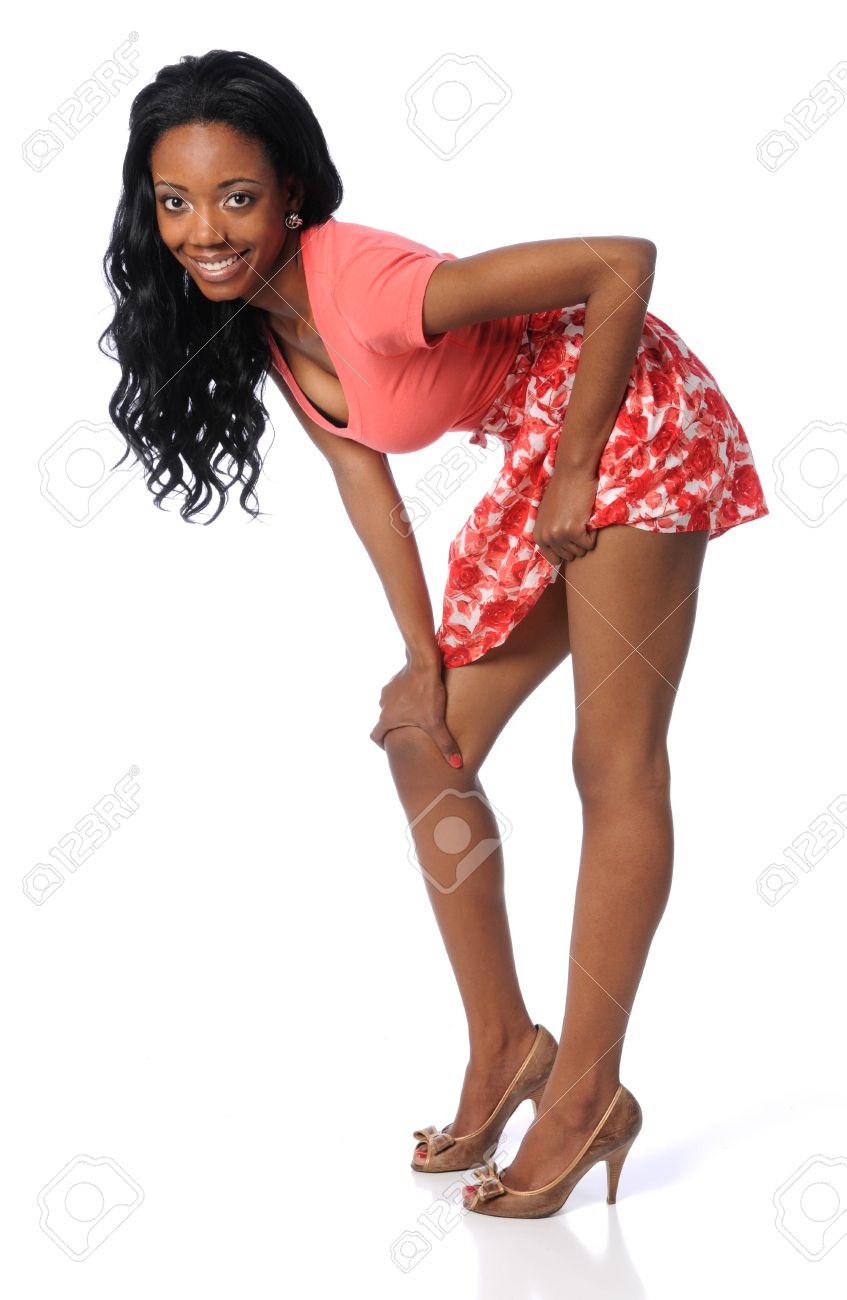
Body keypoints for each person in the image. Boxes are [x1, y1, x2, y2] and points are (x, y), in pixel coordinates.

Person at [100, 49, 769, 1220]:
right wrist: (419, 658)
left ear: (290, 192)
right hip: (541, 456)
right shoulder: (265, 318)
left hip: (628, 420)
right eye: (176, 202)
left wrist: (575, 469)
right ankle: (505, 1043)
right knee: (424, 739)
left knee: (611, 761)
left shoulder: (361, 283)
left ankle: (586, 1092)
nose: (204, 230)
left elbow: (620, 262)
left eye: (235, 197)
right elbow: (365, 485)